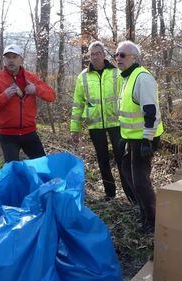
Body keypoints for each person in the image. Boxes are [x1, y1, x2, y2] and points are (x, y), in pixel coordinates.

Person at [70, 41, 135, 202]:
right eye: (92, 54)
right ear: (89, 56)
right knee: (102, 159)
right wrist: (75, 128)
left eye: (98, 53)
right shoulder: (83, 77)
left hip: (117, 124)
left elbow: (126, 96)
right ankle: (110, 193)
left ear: (104, 55)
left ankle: (130, 194)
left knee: (122, 160)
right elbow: (78, 104)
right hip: (95, 125)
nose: (95, 57)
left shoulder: (116, 73)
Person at [115, 41, 165, 233]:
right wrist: (125, 136)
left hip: (144, 138)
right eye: (116, 55)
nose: (118, 58)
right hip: (133, 138)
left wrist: (147, 139)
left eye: (122, 55)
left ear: (133, 58)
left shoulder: (142, 78)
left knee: (140, 180)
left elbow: (151, 111)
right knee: (127, 171)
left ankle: (152, 221)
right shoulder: (126, 77)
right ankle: (144, 212)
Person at [0, 44, 56, 163]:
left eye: (14, 57)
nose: (11, 60)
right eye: (8, 57)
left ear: (21, 59)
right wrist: (4, 96)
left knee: (43, 166)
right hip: (8, 135)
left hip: (29, 132)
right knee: (13, 171)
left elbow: (52, 96)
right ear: (4, 60)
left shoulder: (31, 78)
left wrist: (36, 90)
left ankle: (40, 182)